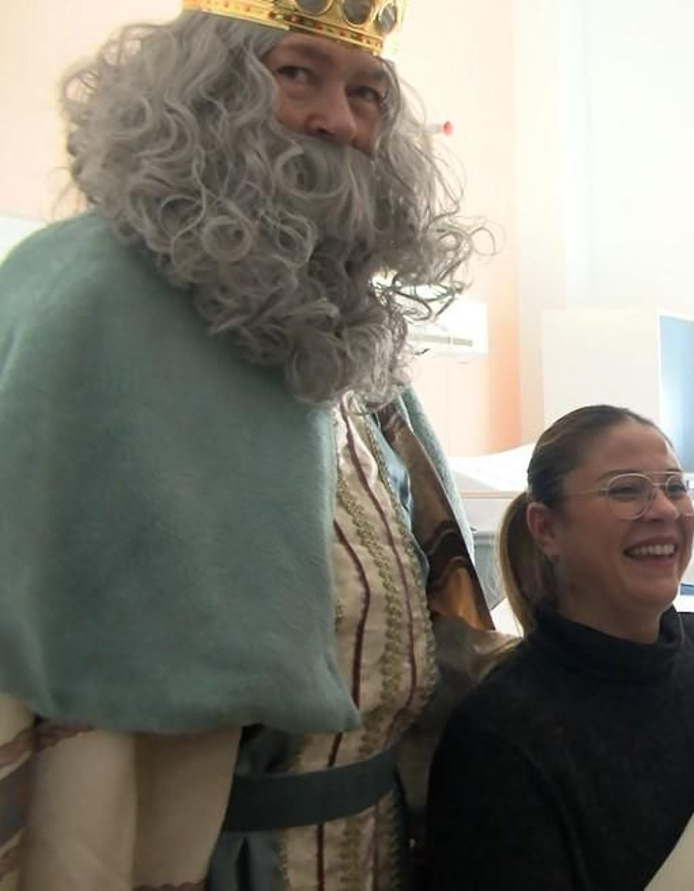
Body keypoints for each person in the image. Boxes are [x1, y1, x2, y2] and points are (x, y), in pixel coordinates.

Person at [0, 3, 501, 887]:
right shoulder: (90, 294)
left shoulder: (348, 334)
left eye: (366, 92)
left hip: (380, 844)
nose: (336, 121)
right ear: (200, 89)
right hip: (185, 850)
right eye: (295, 73)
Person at [425, 405, 694, 890]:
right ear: (546, 528)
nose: (666, 510)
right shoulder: (501, 738)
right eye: (626, 489)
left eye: (674, 486)